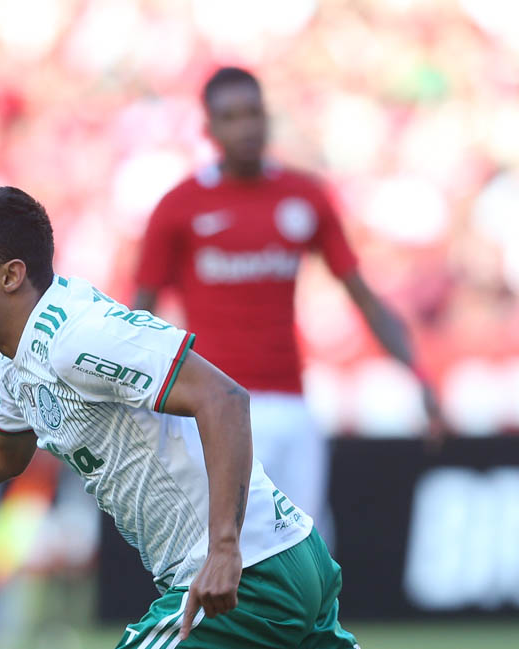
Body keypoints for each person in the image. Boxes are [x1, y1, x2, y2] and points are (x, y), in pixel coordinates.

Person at [0, 186, 361, 648]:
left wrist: (224, 548)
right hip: (288, 556)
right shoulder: (18, 360)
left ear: (10, 275)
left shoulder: (76, 337)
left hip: (247, 570)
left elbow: (224, 399)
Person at [134, 67, 443, 545]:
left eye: (253, 113)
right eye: (231, 117)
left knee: (308, 553)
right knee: (221, 552)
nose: (246, 127)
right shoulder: (180, 206)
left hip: (292, 403)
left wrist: (416, 373)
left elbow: (363, 297)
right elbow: (141, 315)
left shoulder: (304, 197)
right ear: (209, 129)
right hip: (213, 406)